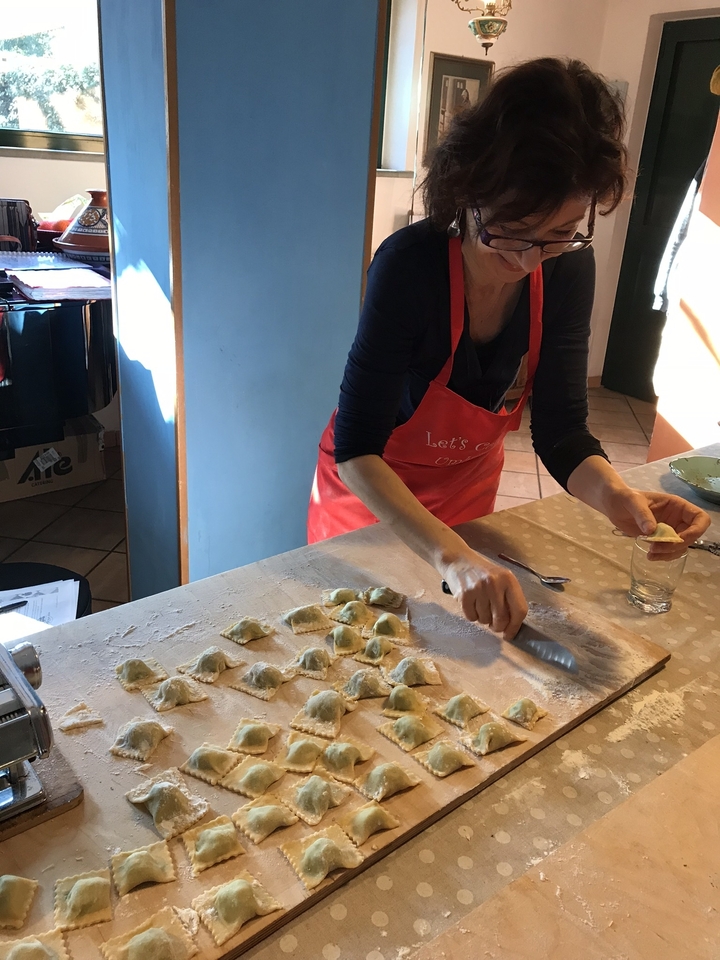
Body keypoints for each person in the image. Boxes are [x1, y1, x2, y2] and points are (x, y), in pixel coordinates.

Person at [307, 58, 710, 640]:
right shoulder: (409, 267)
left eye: (559, 233)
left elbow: (562, 432)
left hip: (468, 491)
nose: (528, 260)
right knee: (364, 645)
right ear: (467, 192)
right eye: (512, 229)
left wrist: (618, 497)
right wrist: (450, 556)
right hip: (370, 500)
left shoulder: (568, 266)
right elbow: (357, 449)